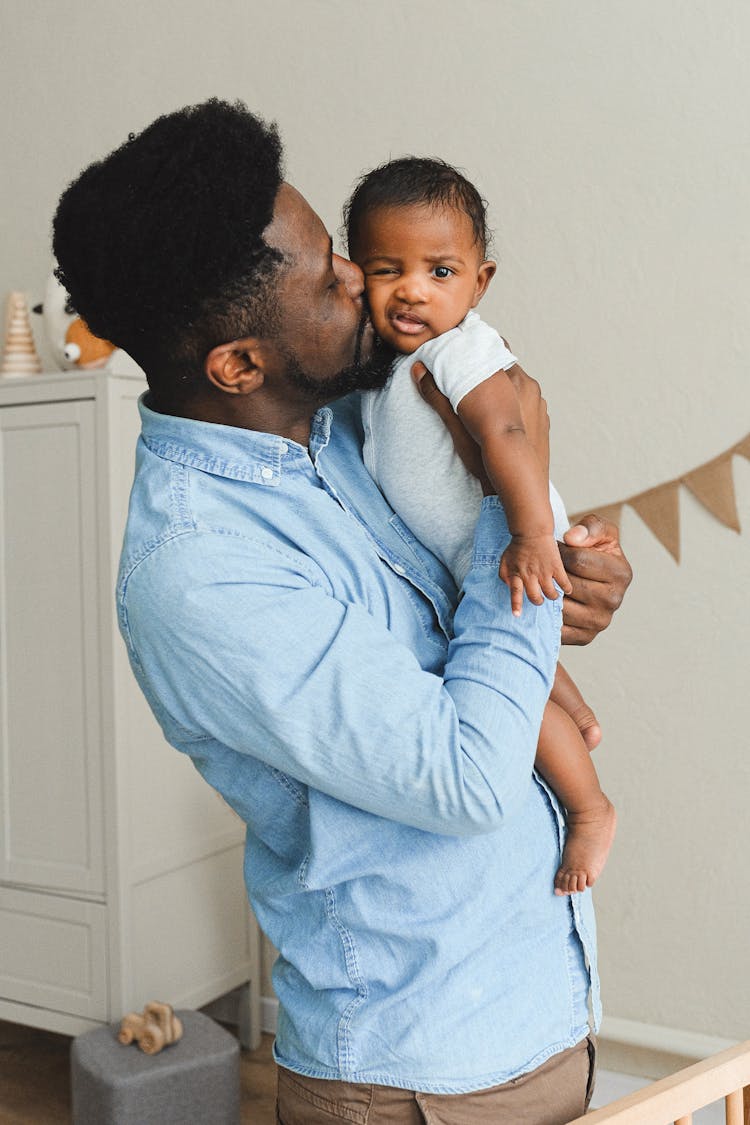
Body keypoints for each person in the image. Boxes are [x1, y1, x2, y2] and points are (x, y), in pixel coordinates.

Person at [52, 99, 632, 1125]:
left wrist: (564, 581)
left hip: (540, 1010)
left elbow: (470, 625)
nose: (368, 283)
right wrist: (514, 517)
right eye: (330, 276)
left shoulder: (347, 427)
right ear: (238, 364)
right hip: (416, 1079)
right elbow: (461, 778)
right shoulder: (201, 571)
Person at [344, 156, 616, 896]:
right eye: (385, 269)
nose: (411, 289)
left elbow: (505, 435)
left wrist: (529, 535)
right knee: (520, 670)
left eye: (439, 271)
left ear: (479, 282)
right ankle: (579, 714)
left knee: (507, 699)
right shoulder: (386, 370)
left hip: (501, 545)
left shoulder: (459, 348)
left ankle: (590, 808)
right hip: (468, 559)